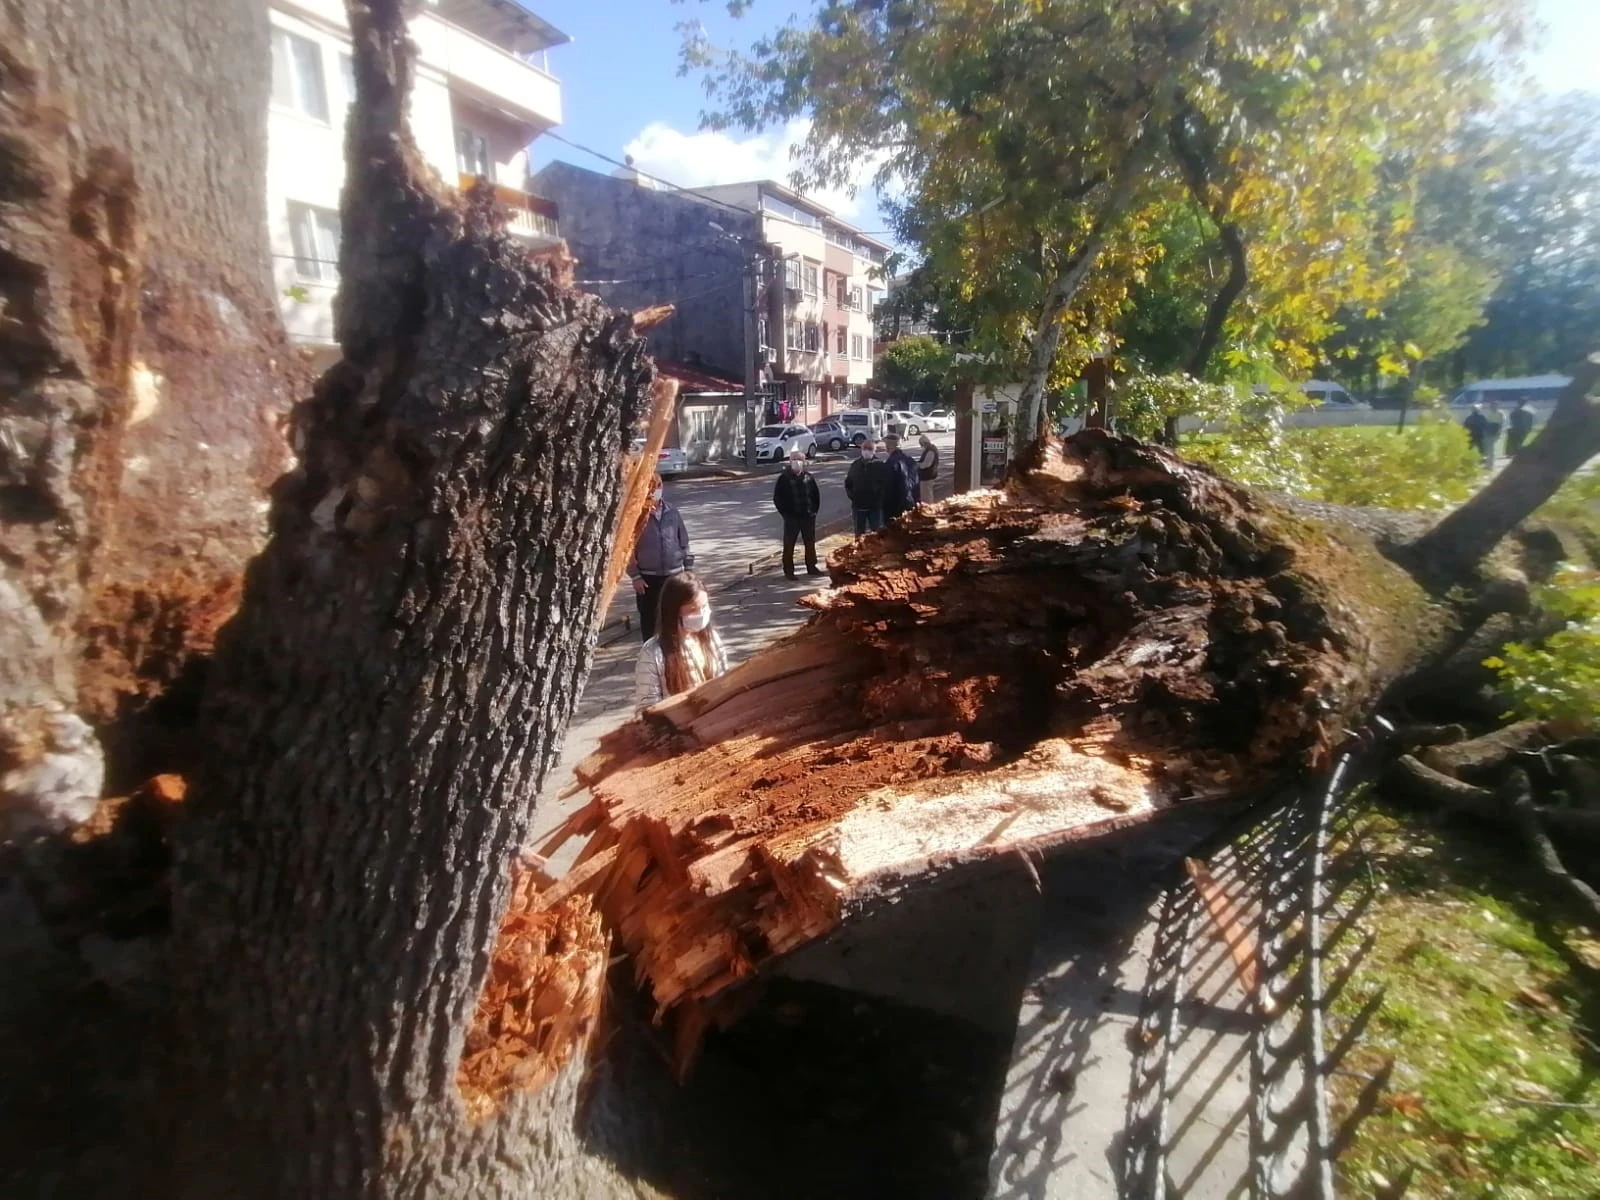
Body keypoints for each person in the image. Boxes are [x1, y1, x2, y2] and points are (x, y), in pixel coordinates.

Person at [633, 572, 727, 710]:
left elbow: (724, 682)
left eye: (704, 606)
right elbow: (648, 708)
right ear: (674, 612)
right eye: (693, 609)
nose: (701, 614)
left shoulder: (712, 639)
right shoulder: (653, 653)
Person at [627, 475, 694, 641]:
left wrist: (689, 569)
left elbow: (683, 541)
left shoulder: (672, 511)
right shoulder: (636, 515)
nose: (654, 491)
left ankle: (675, 652)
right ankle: (650, 658)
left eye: (657, 486)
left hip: (674, 576)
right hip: (648, 579)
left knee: (675, 617)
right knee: (650, 621)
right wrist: (635, 576)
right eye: (650, 487)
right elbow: (627, 550)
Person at [772, 448, 824, 578]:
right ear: (790, 461)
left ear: (804, 461)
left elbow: (815, 496)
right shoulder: (784, 478)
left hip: (807, 516)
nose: (797, 462)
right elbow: (778, 498)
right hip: (792, 517)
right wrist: (785, 514)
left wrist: (813, 512)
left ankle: (811, 566)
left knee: (810, 543)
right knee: (789, 544)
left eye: (799, 460)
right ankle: (789, 571)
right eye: (794, 459)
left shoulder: (808, 477)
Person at [844, 438, 889, 536]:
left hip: (874, 506)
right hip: (858, 506)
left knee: (876, 533)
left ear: (874, 451)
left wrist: (879, 499)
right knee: (859, 534)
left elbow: (885, 485)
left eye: (869, 448)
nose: (867, 451)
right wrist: (853, 496)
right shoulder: (855, 465)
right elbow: (848, 483)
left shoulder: (880, 465)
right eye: (865, 448)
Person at [882, 433, 919, 521]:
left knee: (894, 531)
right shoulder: (910, 461)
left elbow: (888, 487)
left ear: (888, 446)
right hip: (911, 501)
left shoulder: (891, 463)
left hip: (895, 505)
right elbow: (917, 483)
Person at [915, 433, 941, 504]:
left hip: (927, 476)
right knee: (926, 495)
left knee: (926, 496)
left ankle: (928, 509)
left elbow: (926, 464)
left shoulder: (930, 451)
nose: (921, 446)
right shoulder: (931, 449)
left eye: (921, 444)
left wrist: (917, 465)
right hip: (928, 475)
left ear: (924, 443)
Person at [1482, 401, 1504, 468]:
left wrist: (1499, 431)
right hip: (1489, 431)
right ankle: (1489, 463)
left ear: (1497, 406)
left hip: (1495, 431)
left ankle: (1490, 464)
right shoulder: (1489, 413)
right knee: (1489, 448)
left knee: (1492, 448)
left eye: (1494, 405)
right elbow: (1487, 422)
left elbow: (1502, 423)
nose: (1492, 407)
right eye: (1491, 406)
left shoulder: (1500, 413)